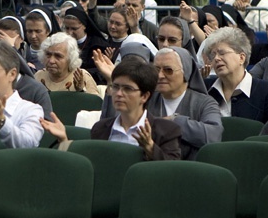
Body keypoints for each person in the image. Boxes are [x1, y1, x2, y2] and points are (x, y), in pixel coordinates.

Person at [41, 59, 182, 161]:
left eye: (127, 89)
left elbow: (172, 173)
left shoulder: (166, 130)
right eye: (116, 87)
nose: (119, 94)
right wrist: (63, 139)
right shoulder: (101, 128)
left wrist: (150, 148)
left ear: (144, 96)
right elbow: (90, 166)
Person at [149, 47, 223, 160]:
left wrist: (174, 121)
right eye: (156, 70)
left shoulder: (205, 103)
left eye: (168, 70)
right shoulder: (147, 99)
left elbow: (213, 135)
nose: (160, 76)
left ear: (185, 73)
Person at [203, 27, 268, 123]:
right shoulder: (205, 88)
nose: (216, 58)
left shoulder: (266, 90)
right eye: (213, 55)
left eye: (222, 53)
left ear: (241, 58)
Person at [35, 32, 101, 96]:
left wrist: (81, 90)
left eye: (58, 56)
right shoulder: (39, 76)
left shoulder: (82, 77)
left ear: (70, 58)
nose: (51, 61)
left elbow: (95, 104)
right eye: (48, 55)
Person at [62, 7, 108, 84]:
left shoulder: (97, 45)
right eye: (67, 28)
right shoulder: (61, 43)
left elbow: (99, 71)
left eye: (74, 29)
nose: (70, 32)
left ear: (84, 26)